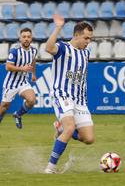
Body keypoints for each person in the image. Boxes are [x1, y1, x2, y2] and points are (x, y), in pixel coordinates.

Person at [44, 14, 94, 173]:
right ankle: (50, 167)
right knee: (70, 127)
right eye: (86, 38)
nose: (88, 42)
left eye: (90, 39)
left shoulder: (86, 53)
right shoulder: (63, 48)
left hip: (80, 101)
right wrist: (58, 27)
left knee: (89, 139)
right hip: (62, 95)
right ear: (77, 35)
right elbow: (48, 48)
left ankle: (60, 128)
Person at [0, 28, 37, 129]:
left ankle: (18, 114)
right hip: (11, 84)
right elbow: (7, 67)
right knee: (3, 108)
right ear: (20, 38)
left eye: (28, 37)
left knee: (32, 100)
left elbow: (33, 61)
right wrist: (22, 68)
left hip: (23, 82)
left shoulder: (34, 50)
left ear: (31, 38)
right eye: (24, 37)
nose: (26, 39)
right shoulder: (15, 51)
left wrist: (33, 74)